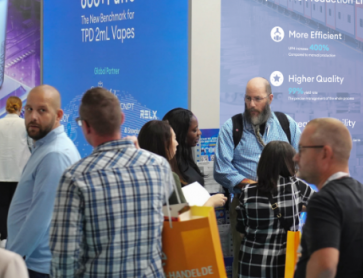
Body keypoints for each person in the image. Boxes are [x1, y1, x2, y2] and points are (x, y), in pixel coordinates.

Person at [49, 87, 172, 277]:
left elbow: (65, 255)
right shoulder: (159, 165)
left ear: (86, 126)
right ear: (122, 119)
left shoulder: (75, 177)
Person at [214, 77, 301, 278]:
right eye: (248, 98)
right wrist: (257, 187)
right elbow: (221, 170)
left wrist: (283, 186)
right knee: (244, 257)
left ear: (270, 98)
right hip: (245, 204)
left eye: (258, 99)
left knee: (286, 260)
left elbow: (300, 160)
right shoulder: (232, 127)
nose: (251, 104)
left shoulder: (286, 124)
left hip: (285, 203)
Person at [294, 118, 363, 278]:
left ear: (325, 153)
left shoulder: (324, 201)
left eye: (302, 149)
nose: (296, 157)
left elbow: (325, 266)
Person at [6, 86, 80, 278]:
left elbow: (39, 220)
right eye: (29, 109)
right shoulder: (45, 146)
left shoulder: (54, 154)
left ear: (58, 115)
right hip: (34, 260)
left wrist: (10, 259)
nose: (33, 117)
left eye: (42, 110)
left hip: (37, 265)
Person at [236, 141, 313, 278]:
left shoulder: (247, 192)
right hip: (286, 264)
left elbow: (241, 230)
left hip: (253, 264)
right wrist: (298, 207)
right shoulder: (297, 187)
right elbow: (322, 205)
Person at [138, 120, 226, 207]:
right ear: (164, 144)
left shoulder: (137, 174)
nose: (177, 143)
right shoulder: (169, 177)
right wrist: (210, 202)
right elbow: (182, 214)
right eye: (174, 139)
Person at [0, 97, 31, 242]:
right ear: (20, 107)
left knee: (2, 206)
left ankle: (4, 237)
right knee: (19, 207)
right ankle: (17, 237)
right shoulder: (25, 125)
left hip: (1, 173)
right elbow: (32, 146)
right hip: (20, 173)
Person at [162, 108, 204, 186]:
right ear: (181, 134)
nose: (199, 133)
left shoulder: (186, 159)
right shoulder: (168, 166)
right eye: (194, 130)